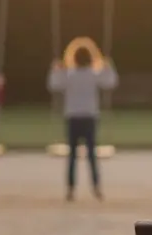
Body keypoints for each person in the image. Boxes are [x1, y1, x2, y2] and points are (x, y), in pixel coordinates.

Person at [47, 44, 119, 201]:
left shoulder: (69, 75)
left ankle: (70, 189)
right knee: (91, 155)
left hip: (72, 117)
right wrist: (108, 67)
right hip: (89, 117)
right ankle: (96, 188)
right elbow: (111, 82)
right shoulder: (94, 74)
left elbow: (53, 85)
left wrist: (55, 69)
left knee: (72, 155)